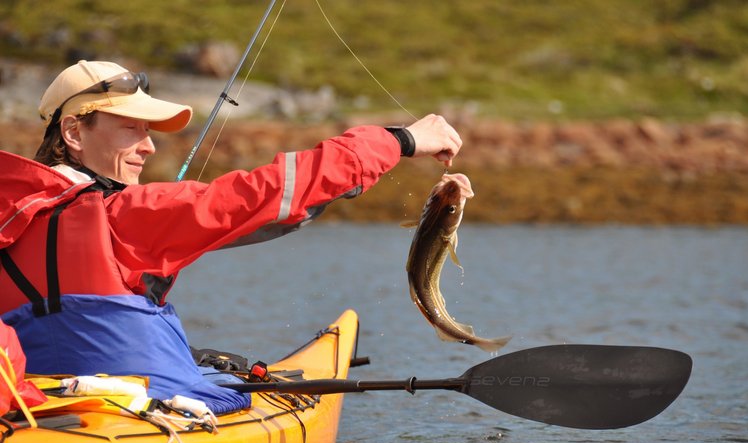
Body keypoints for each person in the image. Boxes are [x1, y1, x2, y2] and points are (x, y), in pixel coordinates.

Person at [0, 60, 462, 414]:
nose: (149, 146)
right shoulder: (128, 214)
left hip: (39, 408)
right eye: (131, 129)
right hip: (135, 411)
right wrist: (395, 141)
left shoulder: (10, 221)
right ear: (74, 132)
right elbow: (269, 195)